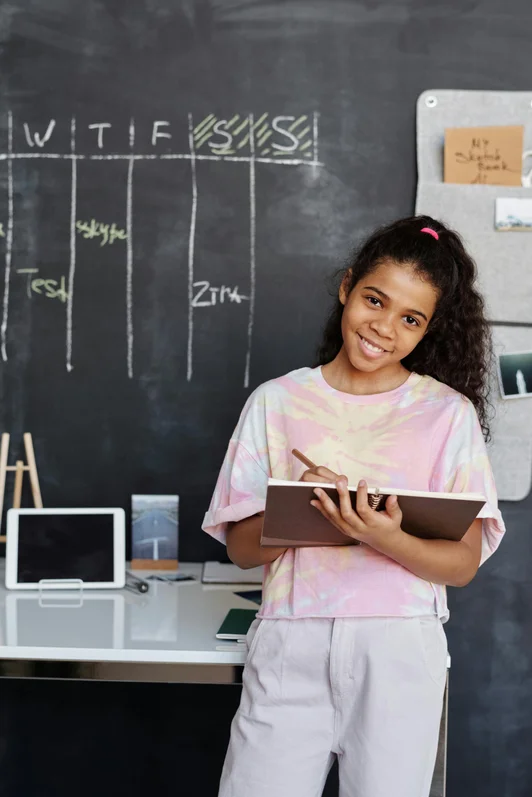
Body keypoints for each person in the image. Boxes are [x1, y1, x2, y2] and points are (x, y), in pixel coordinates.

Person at [202, 215, 505, 797]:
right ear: (347, 288)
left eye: (410, 318)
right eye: (375, 299)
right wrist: (313, 508)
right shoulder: (277, 401)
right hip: (292, 641)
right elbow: (241, 548)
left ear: (427, 331)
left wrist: (381, 534)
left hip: (398, 649)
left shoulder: (447, 416)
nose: (384, 327)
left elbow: (462, 564)